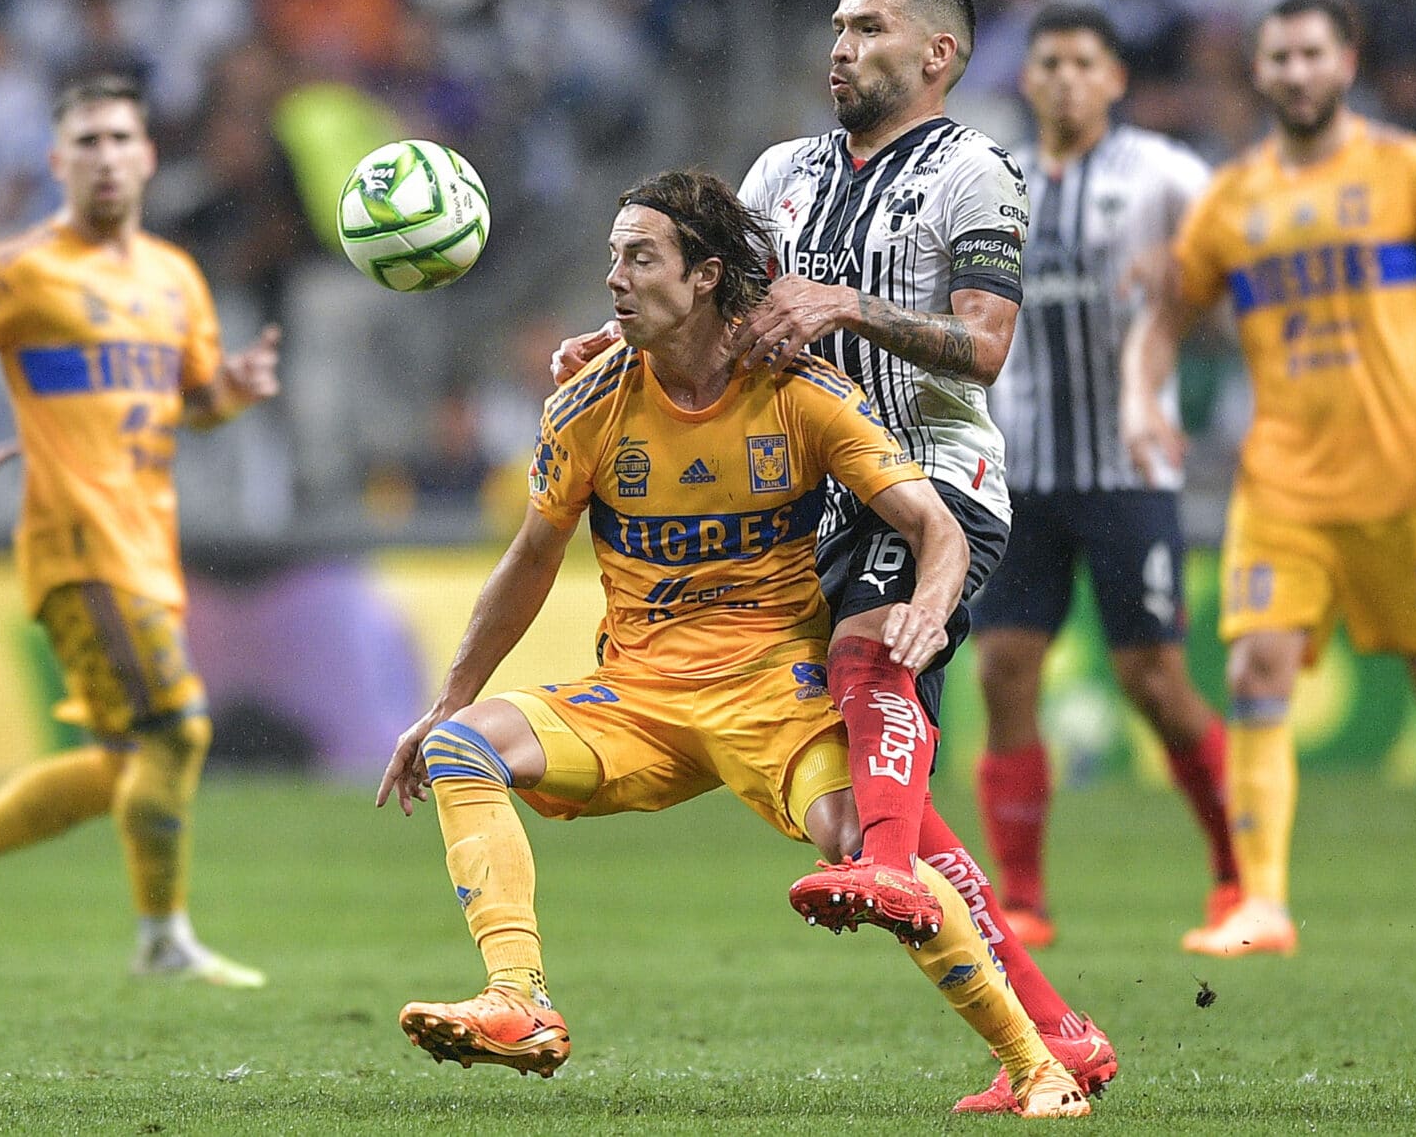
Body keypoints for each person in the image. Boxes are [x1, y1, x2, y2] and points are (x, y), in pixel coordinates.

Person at [378, 170, 1089, 1120]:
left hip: (775, 693)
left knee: (870, 852)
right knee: (461, 747)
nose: (617, 281)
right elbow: (529, 560)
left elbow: (936, 524)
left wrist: (930, 601)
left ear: (707, 275)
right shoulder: (587, 404)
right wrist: (449, 698)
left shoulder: (801, 393)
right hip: (638, 699)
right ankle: (520, 999)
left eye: (641, 258)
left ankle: (1035, 1062)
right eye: (611, 260)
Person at [554, 0, 1115, 1108]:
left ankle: (895, 874)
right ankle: (1053, 1034)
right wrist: (608, 344)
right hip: (808, 493)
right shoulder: (781, 173)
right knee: (869, 787)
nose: (839, 45)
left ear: (936, 55)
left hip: (933, 474)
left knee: (867, 659)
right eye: (835, 25)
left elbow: (986, 346)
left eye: (867, 27)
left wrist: (847, 303)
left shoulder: (979, 174)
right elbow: (711, 300)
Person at [1121, 0, 1416, 958]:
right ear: (1260, 71)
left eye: (1311, 53)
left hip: (1408, 480)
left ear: (1346, 62)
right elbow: (1169, 314)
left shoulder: (1410, 172)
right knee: (1255, 667)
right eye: (1277, 56)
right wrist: (1140, 398)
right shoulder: (1232, 200)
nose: (1293, 71)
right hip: (1282, 484)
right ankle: (1265, 902)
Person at [0, 74, 282, 987]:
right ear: (57, 162)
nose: (105, 157)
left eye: (119, 139)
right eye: (86, 142)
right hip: (77, 540)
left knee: (125, 758)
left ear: (149, 156)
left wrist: (235, 391)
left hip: (150, 545)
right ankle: (163, 938)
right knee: (179, 729)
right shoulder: (21, 267)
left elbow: (194, 402)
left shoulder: (175, 276)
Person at [970, 5, 1238, 948]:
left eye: (1085, 62)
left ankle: (1238, 872)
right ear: (1029, 78)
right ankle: (1024, 897)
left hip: (1129, 470)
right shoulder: (989, 176)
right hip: (1018, 471)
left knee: (1155, 682)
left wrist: (1191, 288)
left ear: (1116, 79)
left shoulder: (1165, 175)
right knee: (1005, 669)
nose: (1066, 79)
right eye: (1049, 63)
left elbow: (1232, 283)